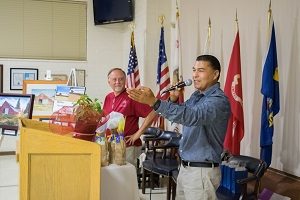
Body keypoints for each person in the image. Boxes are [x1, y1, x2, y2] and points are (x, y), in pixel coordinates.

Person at [127, 55, 231, 200]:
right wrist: (173, 100)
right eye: (194, 70)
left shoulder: (218, 101)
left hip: (201, 172)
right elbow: (181, 114)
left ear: (215, 74)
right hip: (186, 168)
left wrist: (154, 102)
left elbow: (192, 116)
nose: (194, 75)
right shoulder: (196, 96)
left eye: (201, 70)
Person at [103, 68, 156, 167]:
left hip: (127, 146)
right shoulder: (108, 97)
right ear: (108, 81)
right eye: (114, 79)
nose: (118, 82)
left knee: (127, 179)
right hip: (112, 145)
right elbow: (105, 119)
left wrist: (138, 134)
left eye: (121, 79)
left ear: (125, 80)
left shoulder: (132, 96)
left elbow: (153, 111)